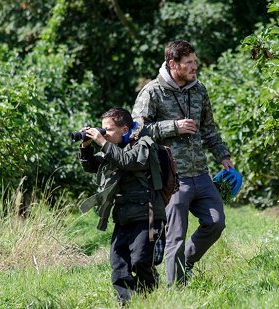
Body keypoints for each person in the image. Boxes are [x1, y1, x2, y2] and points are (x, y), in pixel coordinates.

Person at [132, 40, 234, 286]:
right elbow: (136, 132)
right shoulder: (152, 92)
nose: (194, 67)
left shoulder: (199, 90)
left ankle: (186, 263)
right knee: (175, 238)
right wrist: (173, 127)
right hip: (171, 178)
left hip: (201, 173)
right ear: (172, 64)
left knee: (216, 222)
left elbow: (209, 129)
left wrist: (223, 155)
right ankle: (176, 291)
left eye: (195, 62)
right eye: (188, 63)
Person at [78, 107, 166, 304]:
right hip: (123, 214)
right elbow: (92, 166)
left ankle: (148, 298)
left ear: (124, 129)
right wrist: (85, 147)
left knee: (141, 260)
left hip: (147, 212)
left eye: (108, 130)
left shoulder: (144, 143)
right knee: (119, 263)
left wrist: (102, 142)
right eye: (102, 130)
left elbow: (128, 161)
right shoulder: (113, 147)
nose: (104, 134)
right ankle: (125, 303)